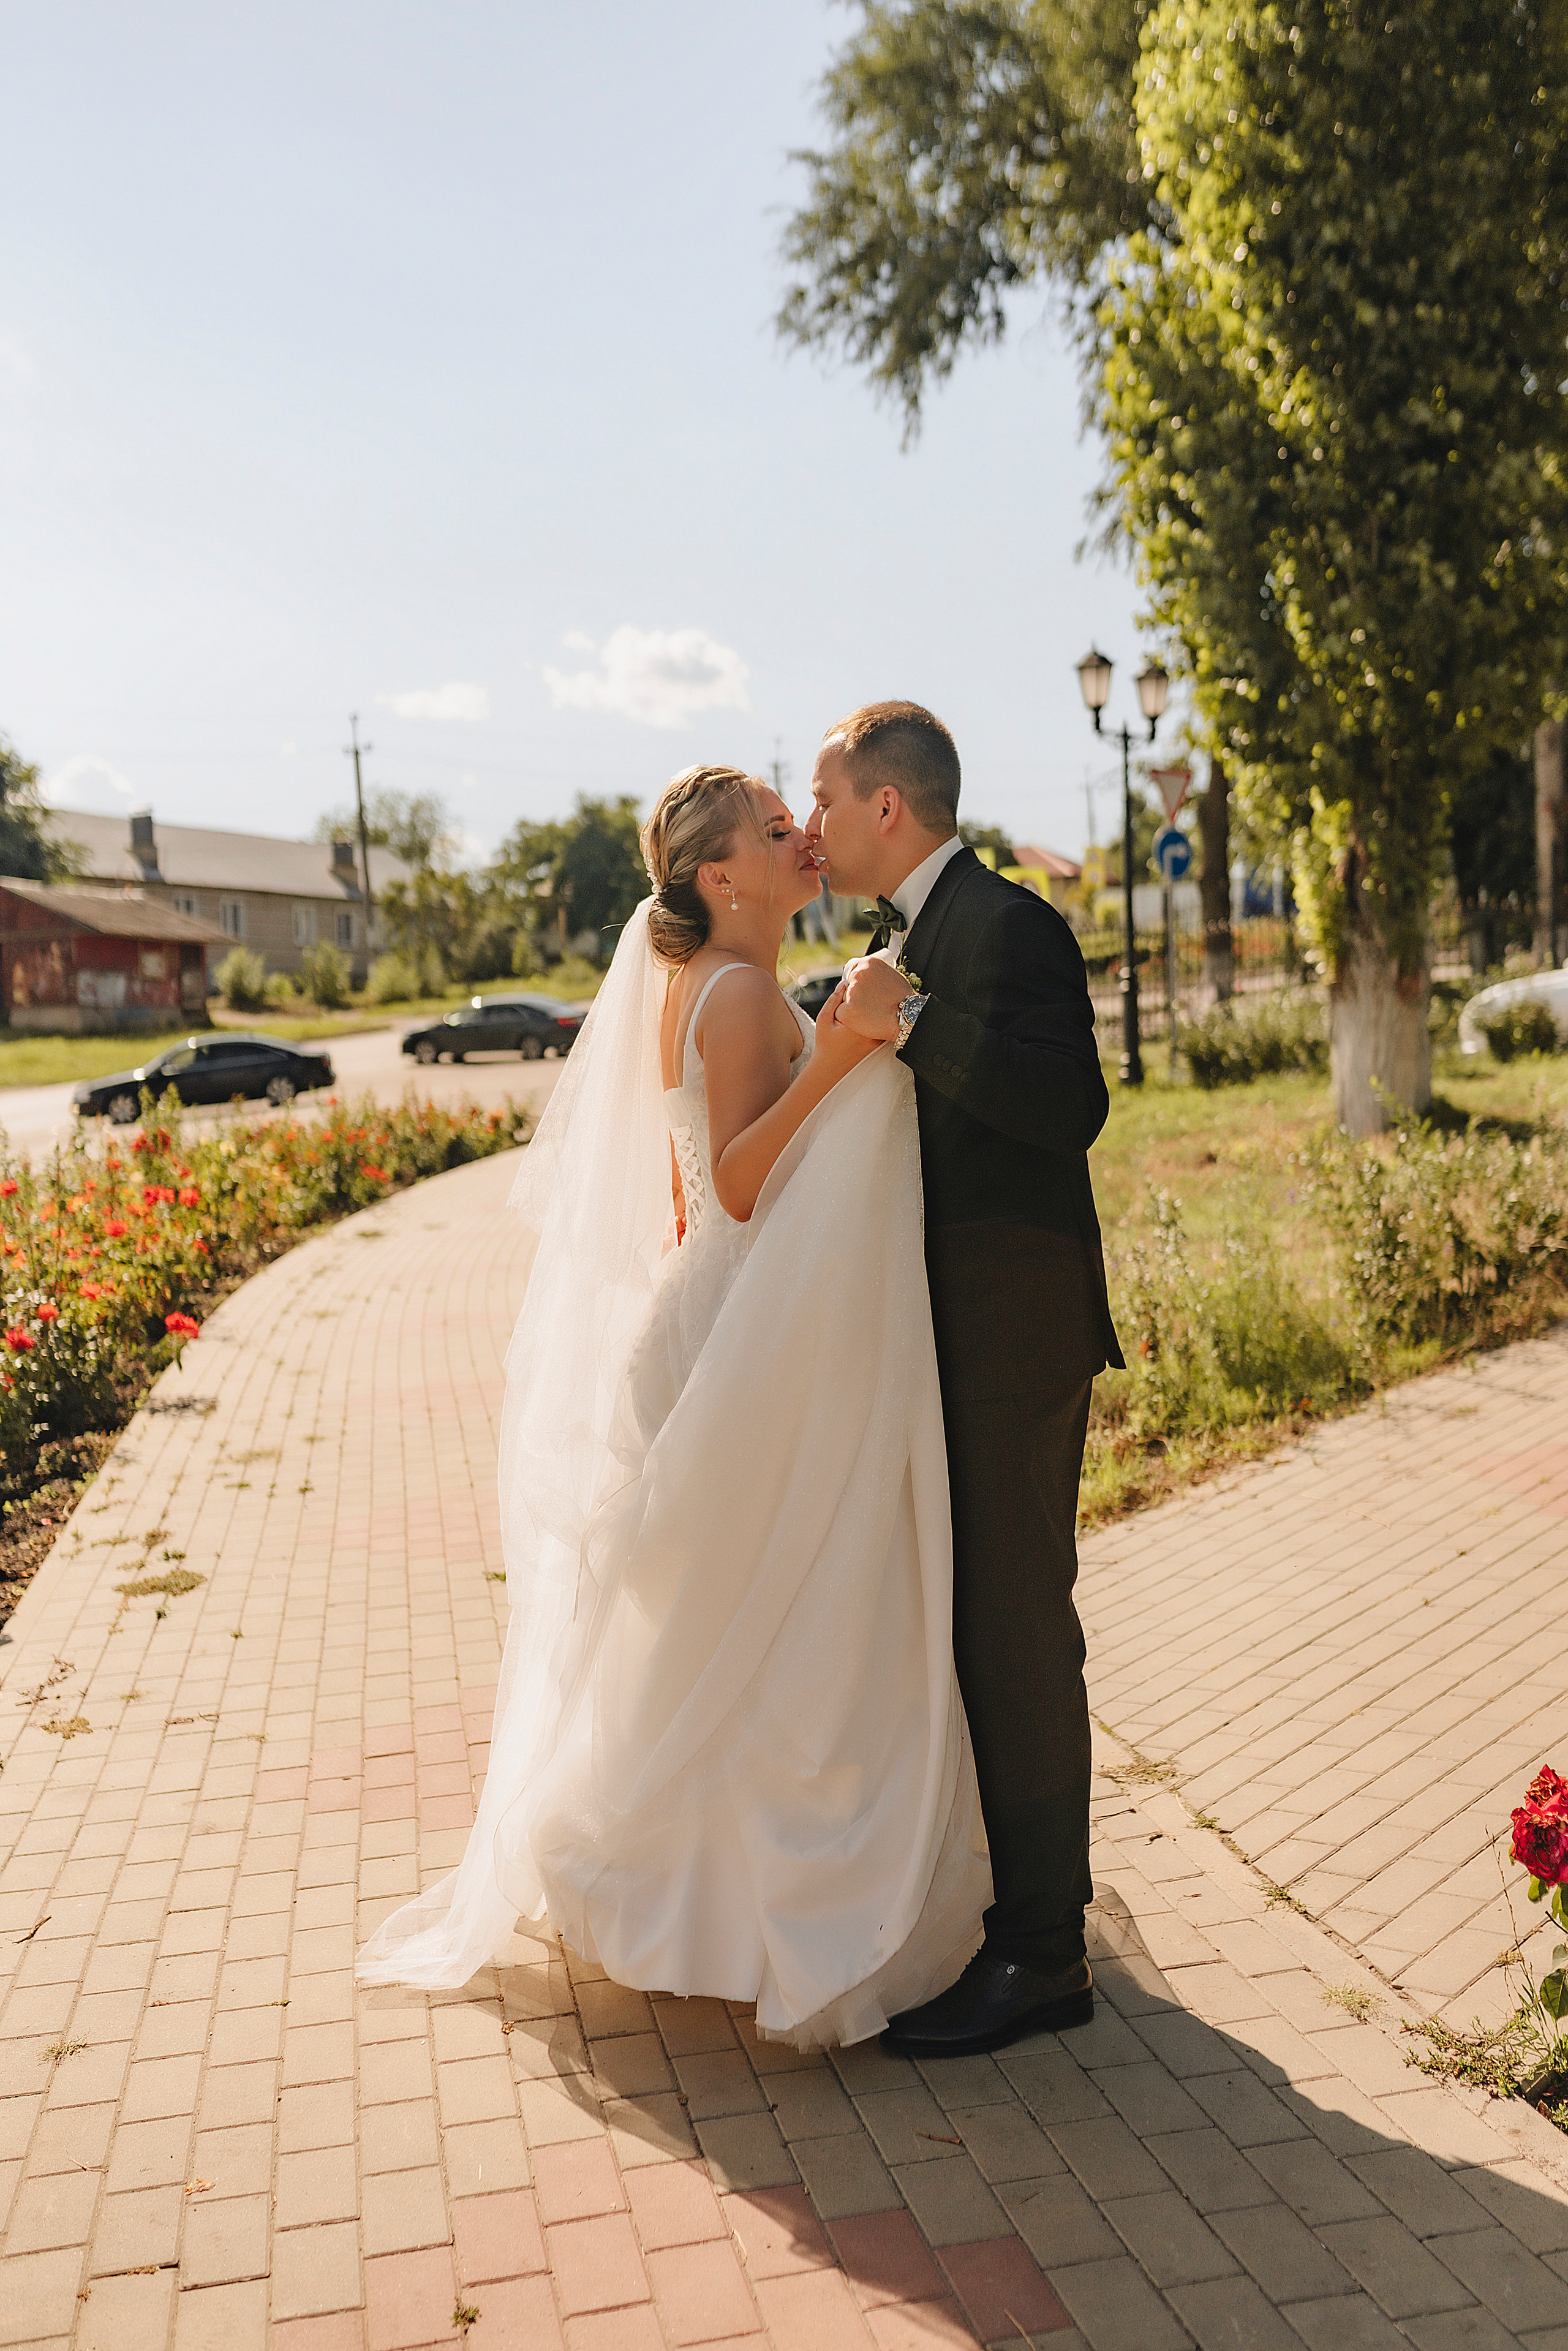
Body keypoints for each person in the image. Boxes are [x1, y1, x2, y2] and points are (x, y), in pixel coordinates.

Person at [357, 764, 991, 2048]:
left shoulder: (702, 983)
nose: (802, 836)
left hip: (712, 1317)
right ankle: (748, 1910)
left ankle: (689, 1902)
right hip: (732, 1334)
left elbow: (692, 1183)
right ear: (720, 875)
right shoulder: (741, 992)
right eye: (776, 827)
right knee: (763, 1618)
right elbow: (744, 1182)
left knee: (721, 1623)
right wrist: (844, 1050)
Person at [805, 700, 1122, 2058]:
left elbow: (1071, 1107)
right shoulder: (901, 937)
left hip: (1013, 1337)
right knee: (970, 1624)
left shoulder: (1007, 924)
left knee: (1015, 1629)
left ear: (888, 805)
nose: (811, 825)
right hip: (943, 1339)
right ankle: (1005, 1905)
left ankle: (1045, 1953)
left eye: (824, 799)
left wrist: (916, 1018)